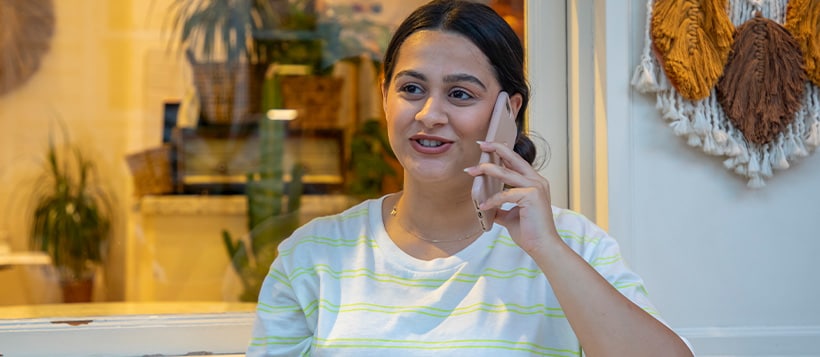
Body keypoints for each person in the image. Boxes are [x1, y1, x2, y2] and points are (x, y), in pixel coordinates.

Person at [247, 0, 694, 355]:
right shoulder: (311, 257)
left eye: (460, 94)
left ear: (509, 110)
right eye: (411, 89)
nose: (429, 115)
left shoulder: (574, 246)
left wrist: (547, 249)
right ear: (384, 94)